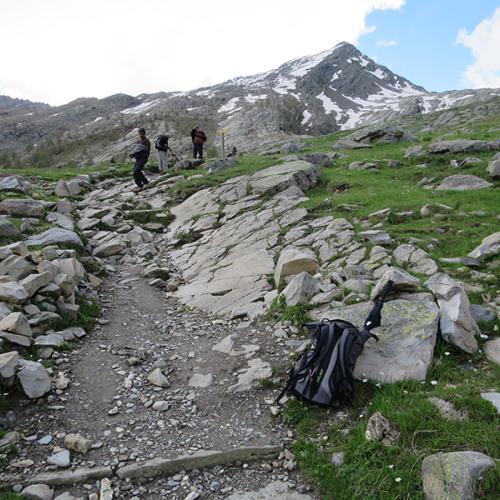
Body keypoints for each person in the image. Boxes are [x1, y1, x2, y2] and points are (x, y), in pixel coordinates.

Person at [129, 127, 150, 191]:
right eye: (139, 134)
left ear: (144, 133)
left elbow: (145, 150)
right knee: (134, 172)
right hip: (138, 158)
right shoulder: (138, 141)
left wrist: (140, 149)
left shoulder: (146, 141)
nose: (140, 135)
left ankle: (146, 182)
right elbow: (136, 150)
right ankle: (139, 185)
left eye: (141, 134)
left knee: (137, 170)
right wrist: (133, 155)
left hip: (143, 158)